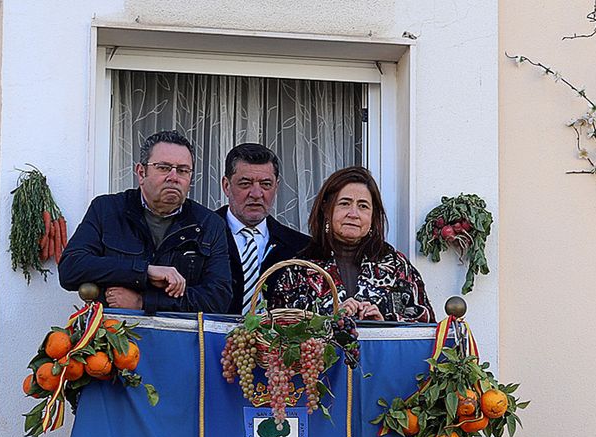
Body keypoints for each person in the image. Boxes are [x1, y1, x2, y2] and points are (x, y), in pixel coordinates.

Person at [59, 130, 235, 313]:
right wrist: (144, 271)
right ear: (141, 173)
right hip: (113, 335)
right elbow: (71, 268)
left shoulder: (208, 224)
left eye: (183, 170)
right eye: (164, 168)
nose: (174, 177)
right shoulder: (107, 210)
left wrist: (143, 302)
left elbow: (218, 299)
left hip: (180, 338)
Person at [265, 166, 434, 323]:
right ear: (326, 208)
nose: (353, 214)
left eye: (363, 206)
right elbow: (278, 329)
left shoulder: (395, 265)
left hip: (382, 355)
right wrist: (330, 321)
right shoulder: (301, 267)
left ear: (373, 215)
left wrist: (383, 323)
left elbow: (425, 325)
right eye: (344, 203)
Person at [216, 142, 310, 315]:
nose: (256, 194)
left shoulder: (300, 247)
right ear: (226, 186)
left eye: (266, 184)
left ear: (277, 186)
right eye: (245, 184)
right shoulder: (199, 236)